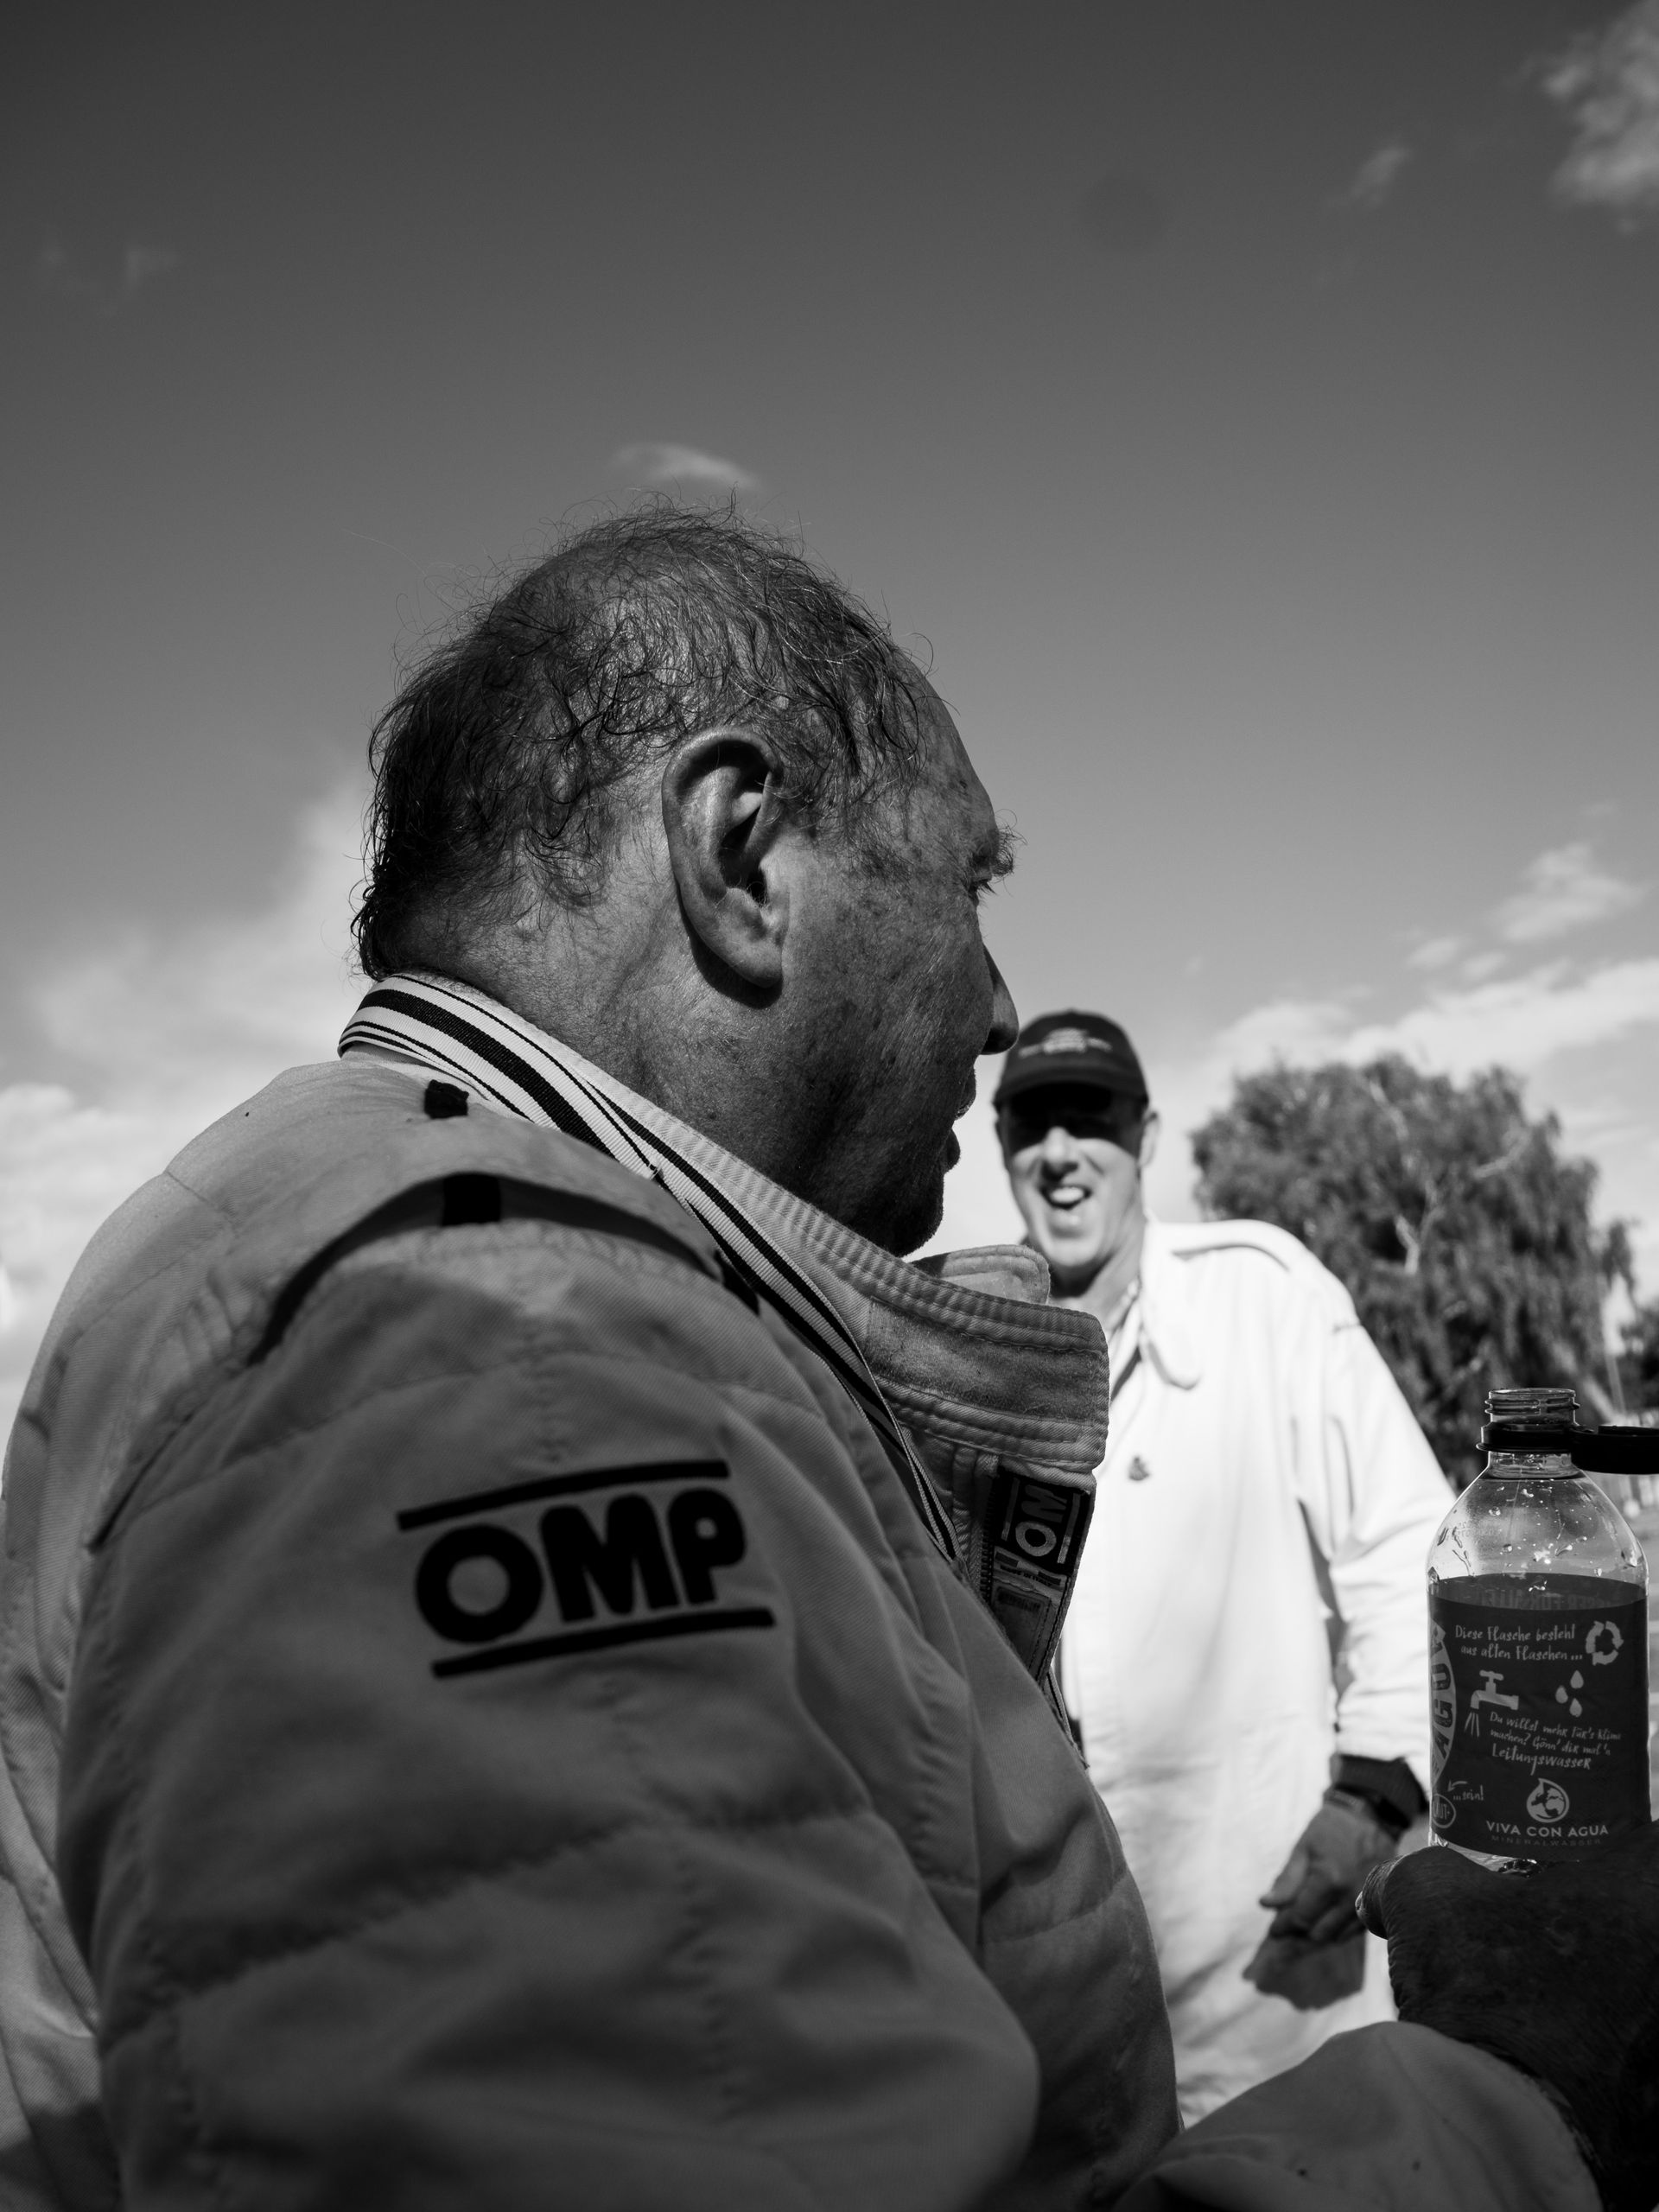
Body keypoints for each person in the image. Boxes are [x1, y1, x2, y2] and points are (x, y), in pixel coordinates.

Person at [0, 510, 1649, 2212]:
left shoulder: (397, 1248)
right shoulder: (498, 1360)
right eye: (968, 885)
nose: (1000, 1006)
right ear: (744, 862)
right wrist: (1518, 2090)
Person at [995, 1010, 1452, 2118]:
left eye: (1089, 1117)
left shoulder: (1267, 1297)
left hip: (1273, 1974)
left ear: (1146, 1135)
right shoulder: (974, 1344)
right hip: (1058, 2011)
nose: (1060, 1153)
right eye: (1028, 1123)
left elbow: (1407, 1546)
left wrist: (1377, 1796)